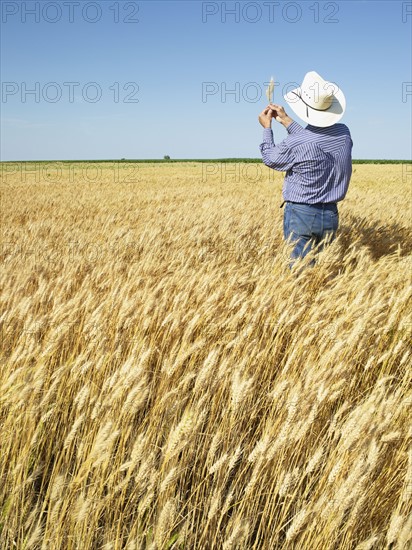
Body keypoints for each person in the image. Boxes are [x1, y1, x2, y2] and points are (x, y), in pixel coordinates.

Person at [258, 71, 353, 267]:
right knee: (322, 272)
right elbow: (313, 141)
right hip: (331, 215)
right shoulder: (344, 133)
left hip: (301, 214)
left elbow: (271, 158)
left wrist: (267, 128)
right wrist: (286, 121)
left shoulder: (297, 142)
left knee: (300, 275)